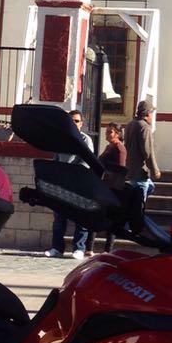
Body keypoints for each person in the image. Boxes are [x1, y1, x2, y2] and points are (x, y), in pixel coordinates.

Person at [45, 109, 94, 259]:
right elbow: (56, 159)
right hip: (61, 184)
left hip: (78, 183)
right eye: (71, 120)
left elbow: (87, 162)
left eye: (77, 121)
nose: (74, 123)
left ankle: (79, 248)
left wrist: (73, 174)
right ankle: (57, 247)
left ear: (81, 123)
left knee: (80, 217)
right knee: (59, 218)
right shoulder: (61, 139)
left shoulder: (85, 140)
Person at [124, 100, 161, 204]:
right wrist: (154, 170)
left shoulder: (130, 124)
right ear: (148, 114)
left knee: (150, 186)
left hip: (130, 169)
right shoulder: (144, 127)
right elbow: (147, 151)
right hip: (140, 171)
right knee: (139, 206)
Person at [97, 123, 127, 191]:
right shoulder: (109, 146)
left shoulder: (119, 147)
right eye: (106, 131)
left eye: (110, 132)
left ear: (117, 134)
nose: (106, 134)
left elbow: (121, 169)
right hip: (104, 183)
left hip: (112, 186)